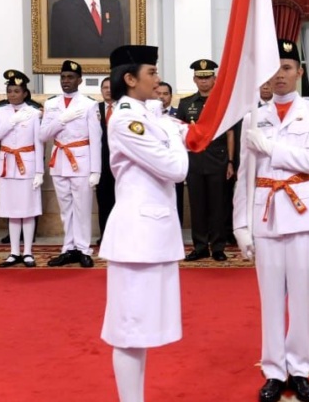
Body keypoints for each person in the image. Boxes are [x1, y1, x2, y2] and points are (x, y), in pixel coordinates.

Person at [233, 39, 309, 402]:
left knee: (302, 297)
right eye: (274, 69)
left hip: (304, 212)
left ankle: (300, 368)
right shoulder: (253, 117)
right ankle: (274, 369)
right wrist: (241, 224)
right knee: (270, 298)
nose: (280, 75)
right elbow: (244, 175)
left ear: (300, 72)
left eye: (287, 68)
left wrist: (270, 147)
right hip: (266, 214)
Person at [99, 45, 189, 402]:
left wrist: (170, 131)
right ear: (130, 79)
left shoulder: (147, 114)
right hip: (137, 237)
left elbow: (173, 133)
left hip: (153, 234)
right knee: (128, 330)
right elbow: (175, 168)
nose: (158, 78)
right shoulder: (125, 119)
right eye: (151, 72)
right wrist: (176, 141)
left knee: (141, 330)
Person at [40, 60, 102, 268]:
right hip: (60, 161)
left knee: (82, 208)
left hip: (81, 160)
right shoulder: (51, 104)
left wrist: (96, 170)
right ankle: (69, 248)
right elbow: (43, 134)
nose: (66, 81)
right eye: (63, 77)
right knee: (65, 209)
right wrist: (62, 119)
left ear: (80, 80)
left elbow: (95, 138)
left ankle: (83, 249)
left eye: (71, 77)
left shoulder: (89, 104)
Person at [177, 59, 235, 262]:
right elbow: (181, 134)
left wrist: (230, 162)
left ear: (214, 78)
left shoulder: (222, 103)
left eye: (207, 77)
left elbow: (230, 133)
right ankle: (200, 246)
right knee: (197, 205)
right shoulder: (186, 104)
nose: (204, 81)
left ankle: (218, 246)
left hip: (218, 159)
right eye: (200, 78)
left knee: (218, 206)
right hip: (194, 160)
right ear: (194, 79)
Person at [0, 71, 44, 268]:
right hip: (7, 164)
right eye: (9, 91)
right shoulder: (0, 112)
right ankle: (13, 252)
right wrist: (10, 123)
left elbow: (39, 143)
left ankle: (28, 251)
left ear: (25, 93)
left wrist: (39, 171)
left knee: (28, 210)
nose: (12, 94)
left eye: (16, 91)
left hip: (27, 164)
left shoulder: (34, 113)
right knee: (11, 210)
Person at [156, 81, 185, 226]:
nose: (161, 97)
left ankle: (176, 227)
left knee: (176, 199)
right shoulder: (148, 116)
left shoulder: (178, 113)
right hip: (155, 164)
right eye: (158, 93)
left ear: (171, 96)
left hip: (173, 162)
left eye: (165, 94)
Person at [96, 78, 117, 244]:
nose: (108, 90)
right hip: (101, 163)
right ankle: (105, 236)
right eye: (105, 87)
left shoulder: (125, 108)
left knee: (121, 201)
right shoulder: (94, 109)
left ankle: (121, 237)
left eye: (111, 87)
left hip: (120, 162)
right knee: (103, 201)